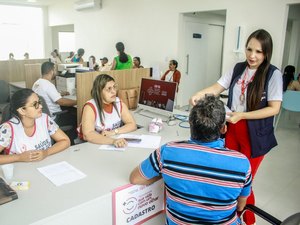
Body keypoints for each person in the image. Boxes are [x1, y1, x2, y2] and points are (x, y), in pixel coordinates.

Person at [190, 29, 282, 225]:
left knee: (244, 181)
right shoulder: (238, 68)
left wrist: (243, 115)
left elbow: (274, 108)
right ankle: (240, 217)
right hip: (232, 130)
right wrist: (199, 93)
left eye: (258, 51)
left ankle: (247, 220)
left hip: (254, 135)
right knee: (232, 176)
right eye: (249, 49)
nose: (252, 55)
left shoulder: (273, 74)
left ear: (266, 53)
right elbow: (217, 87)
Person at [130, 95, 252, 224]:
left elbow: (135, 178)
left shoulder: (168, 152)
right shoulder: (242, 163)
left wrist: (165, 171)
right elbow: (240, 206)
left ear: (190, 123)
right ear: (223, 128)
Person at [0, 89, 70, 164]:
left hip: (45, 167)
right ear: (22, 110)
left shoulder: (44, 119)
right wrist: (19, 157)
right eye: (35, 104)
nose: (41, 106)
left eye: (39, 102)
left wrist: (46, 152)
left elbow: (65, 141)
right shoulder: (8, 129)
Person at [79, 74, 137, 147]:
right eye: (109, 89)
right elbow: (88, 135)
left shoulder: (118, 102)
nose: (113, 92)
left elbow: (132, 125)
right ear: (99, 92)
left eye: (114, 87)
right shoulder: (90, 107)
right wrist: (113, 141)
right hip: (92, 145)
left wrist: (113, 132)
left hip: (112, 142)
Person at [32, 62, 78, 145]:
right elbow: (61, 101)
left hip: (42, 117)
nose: (56, 72)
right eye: (55, 70)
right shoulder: (48, 85)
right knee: (77, 118)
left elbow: (47, 96)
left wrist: (59, 93)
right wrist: (77, 101)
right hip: (55, 117)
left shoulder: (36, 83)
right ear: (51, 71)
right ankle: (69, 143)